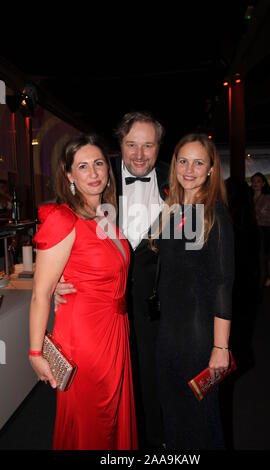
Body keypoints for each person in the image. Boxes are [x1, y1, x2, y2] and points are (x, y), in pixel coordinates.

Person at [54, 111, 168, 448]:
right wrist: (58, 278)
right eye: (131, 144)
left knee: (150, 383)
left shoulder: (174, 181)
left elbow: (193, 247)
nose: (139, 154)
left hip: (154, 308)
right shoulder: (97, 179)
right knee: (105, 395)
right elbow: (66, 233)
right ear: (119, 144)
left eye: (148, 145)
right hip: (102, 312)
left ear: (159, 147)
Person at [29, 134, 138, 450]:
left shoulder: (106, 215)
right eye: (83, 166)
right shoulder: (64, 218)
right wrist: (35, 352)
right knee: (94, 423)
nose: (93, 173)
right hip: (86, 337)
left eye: (99, 163)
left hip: (115, 329)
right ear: (69, 176)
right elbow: (41, 292)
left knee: (113, 418)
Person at [150, 133, 235, 450]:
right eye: (183, 160)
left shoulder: (215, 214)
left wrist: (221, 347)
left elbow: (224, 282)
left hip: (199, 338)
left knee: (199, 421)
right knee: (173, 416)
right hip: (169, 334)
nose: (189, 169)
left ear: (211, 168)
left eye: (199, 162)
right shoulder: (173, 212)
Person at [250, 172, 270, 287]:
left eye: (258, 181)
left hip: (262, 233)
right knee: (253, 257)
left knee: (262, 257)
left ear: (263, 184)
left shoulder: (267, 198)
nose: (255, 184)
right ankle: (256, 279)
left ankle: (264, 278)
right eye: (253, 181)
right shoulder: (248, 198)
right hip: (251, 233)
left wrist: (258, 220)